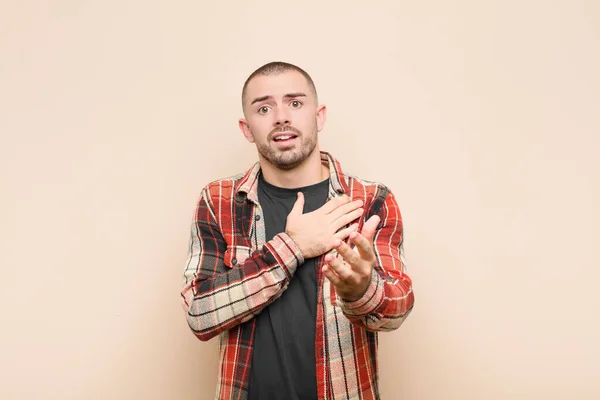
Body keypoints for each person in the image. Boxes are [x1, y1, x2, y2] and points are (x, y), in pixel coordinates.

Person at [180, 61, 415, 400]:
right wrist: (292, 246)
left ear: (318, 116)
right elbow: (199, 314)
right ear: (247, 129)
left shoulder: (369, 200)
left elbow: (399, 309)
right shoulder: (219, 201)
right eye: (264, 107)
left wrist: (361, 289)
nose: (281, 117)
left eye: (295, 102)